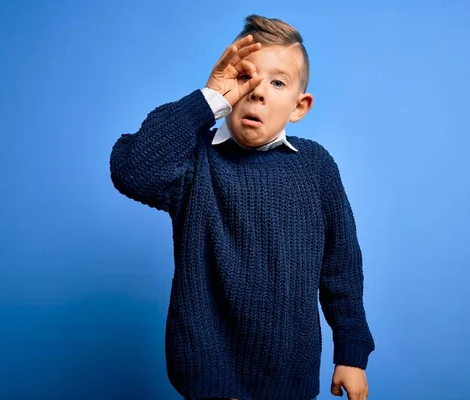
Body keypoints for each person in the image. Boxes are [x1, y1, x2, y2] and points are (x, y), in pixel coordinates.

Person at [109, 14, 374, 400]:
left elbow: (342, 264)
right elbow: (133, 170)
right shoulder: (193, 158)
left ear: (299, 106)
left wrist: (351, 353)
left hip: (289, 374)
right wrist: (207, 100)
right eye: (245, 77)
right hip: (208, 373)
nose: (258, 92)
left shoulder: (316, 166)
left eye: (277, 82)